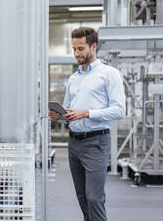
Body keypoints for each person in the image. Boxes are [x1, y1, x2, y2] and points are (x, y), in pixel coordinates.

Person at [49, 27, 125, 221]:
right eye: (74, 49)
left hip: (96, 142)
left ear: (93, 46)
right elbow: (69, 110)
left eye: (81, 49)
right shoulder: (74, 78)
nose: (76, 54)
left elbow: (119, 110)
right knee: (82, 198)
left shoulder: (109, 74)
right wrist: (60, 115)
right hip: (74, 143)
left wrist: (87, 113)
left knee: (94, 198)